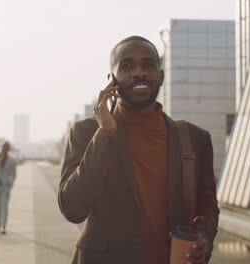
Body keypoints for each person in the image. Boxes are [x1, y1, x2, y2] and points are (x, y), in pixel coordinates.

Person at [58, 36, 219, 264]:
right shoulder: (86, 133)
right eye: (126, 66)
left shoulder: (194, 139)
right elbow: (72, 208)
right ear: (110, 80)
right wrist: (105, 134)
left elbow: (208, 205)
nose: (138, 73)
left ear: (160, 76)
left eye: (148, 65)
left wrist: (204, 235)